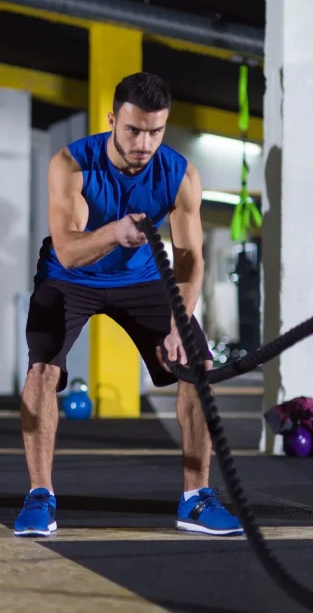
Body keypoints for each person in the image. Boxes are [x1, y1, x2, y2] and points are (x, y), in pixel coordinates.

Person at [14, 72, 243, 537]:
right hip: (69, 275)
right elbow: (67, 250)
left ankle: (195, 498)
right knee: (42, 368)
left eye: (155, 131)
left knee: (195, 365)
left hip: (141, 279)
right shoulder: (72, 165)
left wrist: (183, 318)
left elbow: (190, 256)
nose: (144, 142)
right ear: (112, 119)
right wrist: (114, 232)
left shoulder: (181, 174)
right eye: (133, 130)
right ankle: (40, 494)